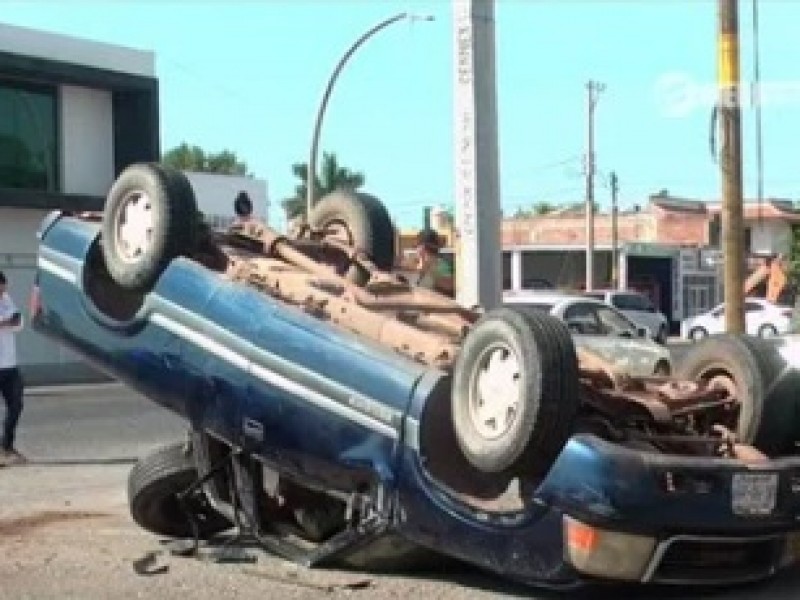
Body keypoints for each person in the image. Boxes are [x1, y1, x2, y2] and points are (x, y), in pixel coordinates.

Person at [0, 271, 25, 466]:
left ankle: (7, 447)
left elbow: (19, 323)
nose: (3, 292)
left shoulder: (6, 299)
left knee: (16, 405)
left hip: (10, 364)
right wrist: (7, 322)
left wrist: (7, 323)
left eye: (4, 288)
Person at [414, 229, 455, 297]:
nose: (415, 249)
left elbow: (449, 286)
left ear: (422, 247)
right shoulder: (421, 264)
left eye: (416, 246)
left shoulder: (441, 264)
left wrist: (429, 270)